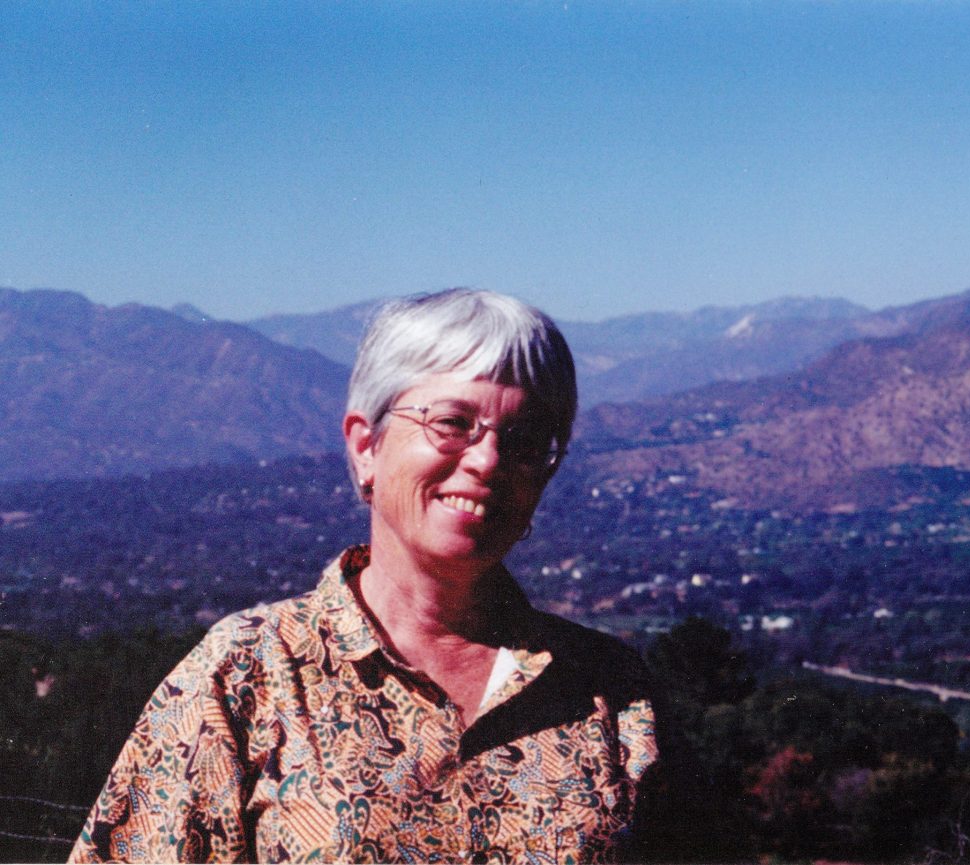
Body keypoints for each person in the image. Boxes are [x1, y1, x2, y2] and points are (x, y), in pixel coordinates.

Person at [69, 289, 659, 864]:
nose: (487, 461)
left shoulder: (613, 693)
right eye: (453, 422)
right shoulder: (249, 672)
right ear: (366, 445)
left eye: (526, 440)